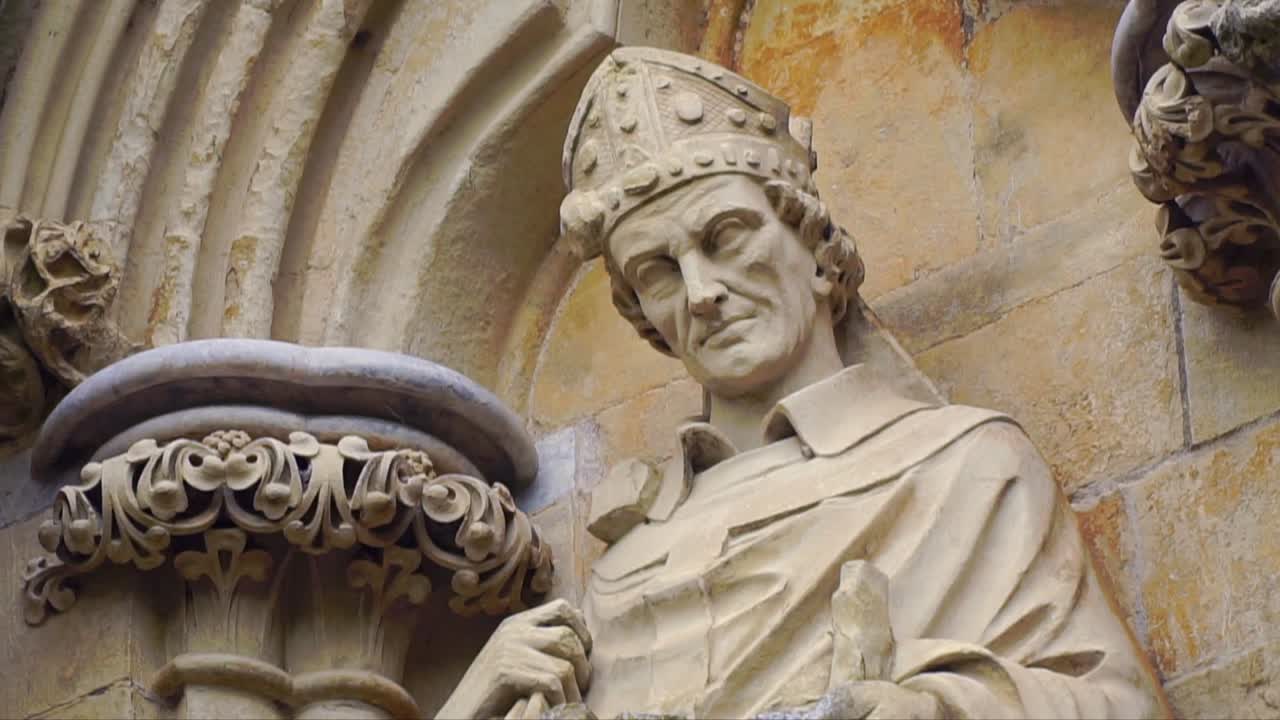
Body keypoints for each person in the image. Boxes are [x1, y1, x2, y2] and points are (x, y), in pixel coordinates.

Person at [437, 46, 1169, 720]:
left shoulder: (962, 469)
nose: (700, 293)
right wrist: (475, 700)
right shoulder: (623, 570)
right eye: (657, 272)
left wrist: (925, 710)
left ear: (816, 251)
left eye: (724, 237)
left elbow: (1120, 709)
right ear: (646, 320)